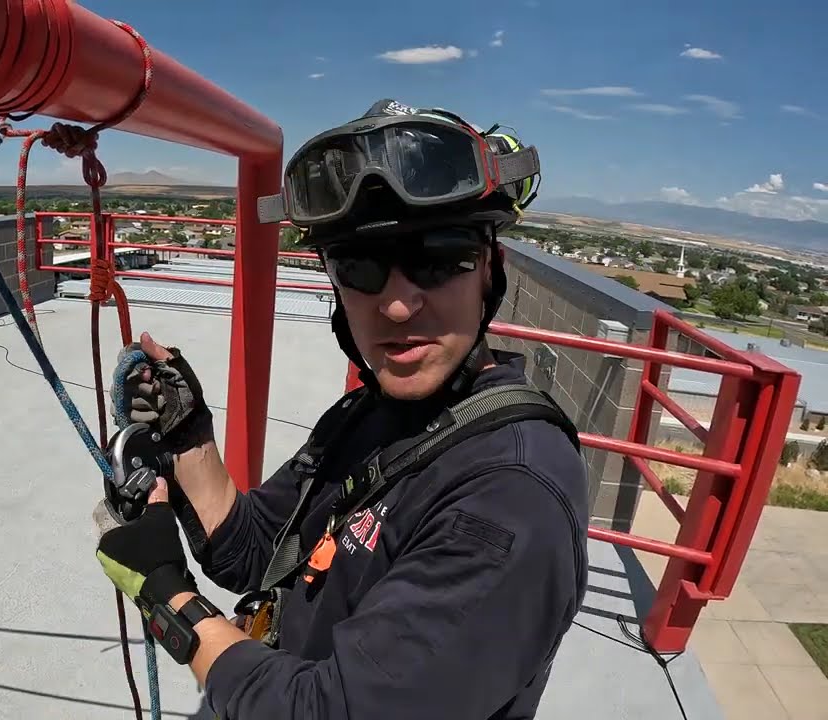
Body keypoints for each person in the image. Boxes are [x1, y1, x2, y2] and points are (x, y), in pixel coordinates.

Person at [93, 100, 591, 719]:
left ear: (492, 268)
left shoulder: (511, 499)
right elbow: (255, 551)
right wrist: (189, 437)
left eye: (438, 258)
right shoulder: (368, 415)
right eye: (360, 267)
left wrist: (171, 600)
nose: (399, 307)